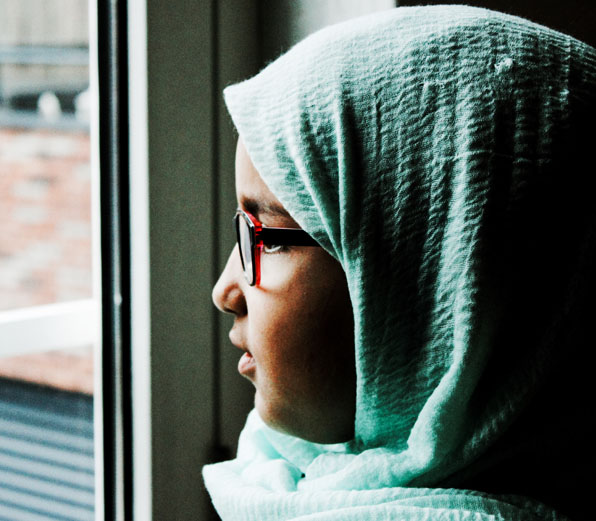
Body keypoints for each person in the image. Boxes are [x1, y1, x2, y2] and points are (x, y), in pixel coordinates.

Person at [204, 5, 596, 520]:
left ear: (442, 288)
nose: (225, 290)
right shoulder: (293, 470)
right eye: (241, 228)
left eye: (269, 238)